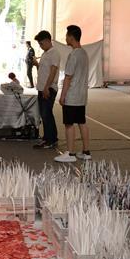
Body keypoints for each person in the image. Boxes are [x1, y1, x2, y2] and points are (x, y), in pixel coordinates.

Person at [54, 25, 91, 163]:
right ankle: (86, 152)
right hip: (82, 95)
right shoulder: (84, 53)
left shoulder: (74, 55)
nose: (65, 38)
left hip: (72, 95)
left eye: (66, 35)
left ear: (71, 37)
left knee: (69, 124)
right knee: (82, 122)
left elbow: (68, 77)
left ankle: (70, 153)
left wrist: (63, 95)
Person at [33, 30, 60, 150]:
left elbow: (53, 71)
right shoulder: (45, 53)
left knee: (46, 113)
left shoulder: (54, 53)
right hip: (42, 88)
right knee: (45, 114)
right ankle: (48, 137)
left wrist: (46, 88)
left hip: (48, 88)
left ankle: (51, 139)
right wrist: (36, 64)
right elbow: (44, 70)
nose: (40, 46)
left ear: (48, 41)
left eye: (41, 43)